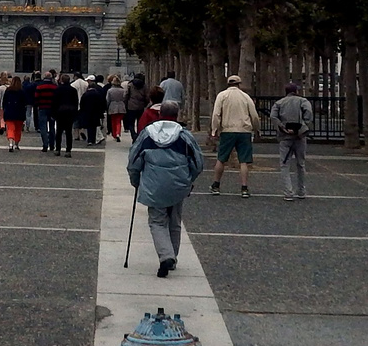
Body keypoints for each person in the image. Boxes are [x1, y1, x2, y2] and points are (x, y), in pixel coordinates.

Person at [127, 101, 204, 278]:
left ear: (160, 113)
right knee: (175, 221)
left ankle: (166, 255)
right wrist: (189, 181)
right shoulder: (185, 136)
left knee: (157, 221)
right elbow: (198, 163)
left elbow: (133, 161)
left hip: (154, 185)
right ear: (177, 115)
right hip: (178, 186)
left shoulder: (147, 134)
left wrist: (136, 181)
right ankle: (172, 258)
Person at [208, 75, 260, 197]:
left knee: (221, 158)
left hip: (227, 130)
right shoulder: (245, 97)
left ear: (228, 83)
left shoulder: (222, 95)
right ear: (239, 84)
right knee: (244, 160)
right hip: (244, 131)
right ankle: (244, 188)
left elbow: (216, 114)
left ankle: (216, 185)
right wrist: (256, 128)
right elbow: (254, 115)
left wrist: (214, 129)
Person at [271, 82, 314, 200]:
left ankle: (288, 192)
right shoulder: (303, 101)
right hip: (300, 137)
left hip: (285, 138)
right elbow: (309, 114)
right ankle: (301, 190)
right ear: (296, 91)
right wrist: (303, 128)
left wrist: (283, 128)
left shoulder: (279, 103)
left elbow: (273, 117)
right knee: (301, 164)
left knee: (285, 164)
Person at [1, 70, 29, 152]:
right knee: (18, 129)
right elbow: (25, 102)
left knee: (10, 128)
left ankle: (10, 143)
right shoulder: (22, 91)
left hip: (9, 112)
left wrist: (5, 110)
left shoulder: (8, 90)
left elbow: (4, 102)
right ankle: (16, 143)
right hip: (19, 113)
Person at [32, 70, 60, 153]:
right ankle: (52, 144)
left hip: (42, 108)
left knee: (43, 127)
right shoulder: (55, 87)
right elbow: (57, 99)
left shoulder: (40, 87)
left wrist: (37, 106)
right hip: (52, 108)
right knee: (52, 127)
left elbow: (36, 98)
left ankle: (45, 144)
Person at [79, 76, 108, 146]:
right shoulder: (98, 94)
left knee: (89, 127)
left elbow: (82, 104)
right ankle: (94, 139)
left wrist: (82, 112)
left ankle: (90, 140)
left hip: (87, 112)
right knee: (94, 126)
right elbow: (101, 103)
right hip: (96, 113)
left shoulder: (85, 95)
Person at [105, 75, 128, 141]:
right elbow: (124, 98)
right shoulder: (123, 90)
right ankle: (118, 133)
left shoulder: (110, 90)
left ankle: (114, 134)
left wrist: (107, 106)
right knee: (118, 121)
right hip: (121, 105)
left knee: (113, 121)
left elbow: (108, 99)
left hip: (113, 105)